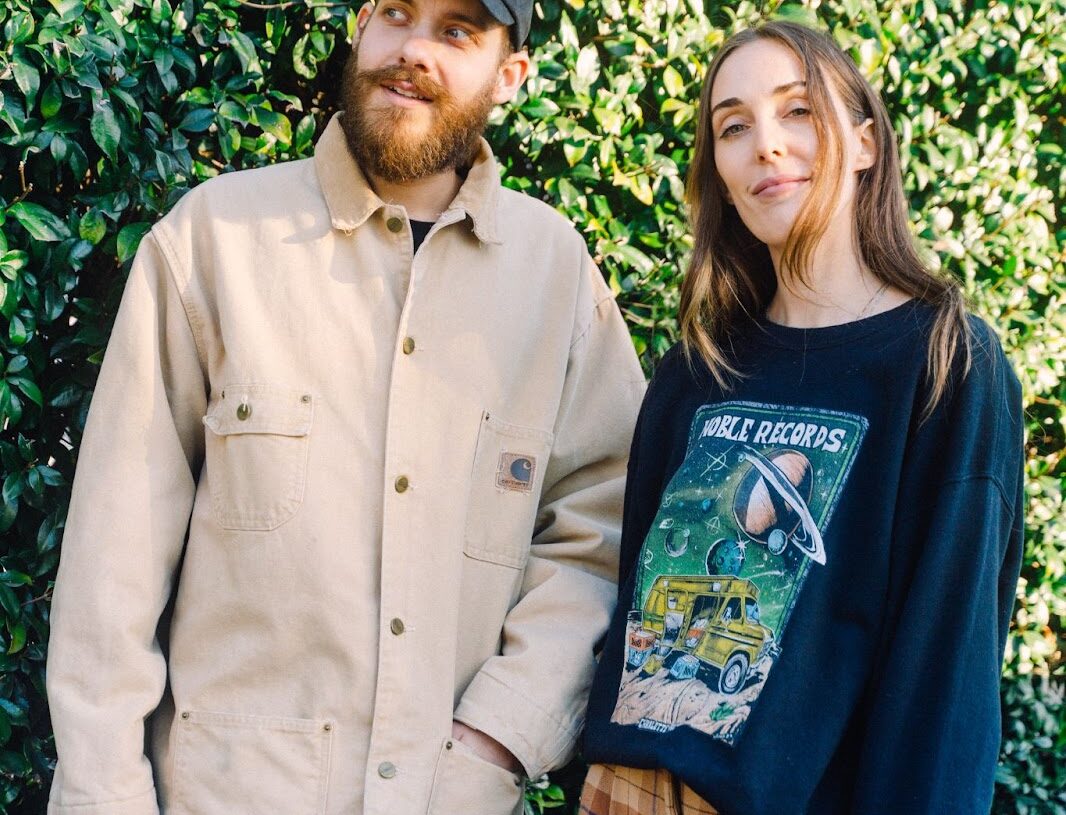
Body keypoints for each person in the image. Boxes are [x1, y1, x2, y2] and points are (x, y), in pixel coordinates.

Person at [44, 0, 646, 812]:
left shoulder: (558, 278)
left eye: (457, 30)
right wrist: (103, 795)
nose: (415, 49)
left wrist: (500, 736)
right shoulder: (213, 240)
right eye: (397, 12)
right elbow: (113, 561)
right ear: (361, 26)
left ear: (511, 75)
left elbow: (598, 534)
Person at [580, 20, 1024, 815]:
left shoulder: (945, 363)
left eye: (798, 111)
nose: (767, 145)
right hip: (623, 790)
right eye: (733, 126)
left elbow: (944, 679)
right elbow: (627, 611)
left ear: (865, 142)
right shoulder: (693, 372)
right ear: (719, 173)